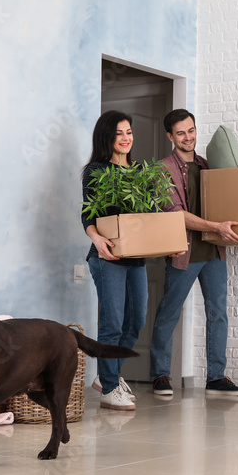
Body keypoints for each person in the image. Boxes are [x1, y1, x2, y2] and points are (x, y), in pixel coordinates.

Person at [149, 109, 238, 399]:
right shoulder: (161, 170)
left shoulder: (207, 166)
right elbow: (176, 214)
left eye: (191, 130)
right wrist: (216, 226)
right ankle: (160, 375)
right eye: (180, 132)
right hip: (184, 253)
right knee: (169, 313)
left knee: (218, 313)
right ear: (170, 136)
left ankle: (216, 378)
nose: (188, 137)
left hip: (214, 252)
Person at [81, 110, 146, 411]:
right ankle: (108, 386)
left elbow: (147, 218)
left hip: (136, 257)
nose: (126, 138)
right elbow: (88, 214)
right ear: (107, 136)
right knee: (112, 324)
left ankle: (108, 376)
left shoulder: (140, 172)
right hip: (107, 257)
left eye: (129, 132)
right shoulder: (96, 170)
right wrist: (96, 238)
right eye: (119, 133)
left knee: (136, 320)